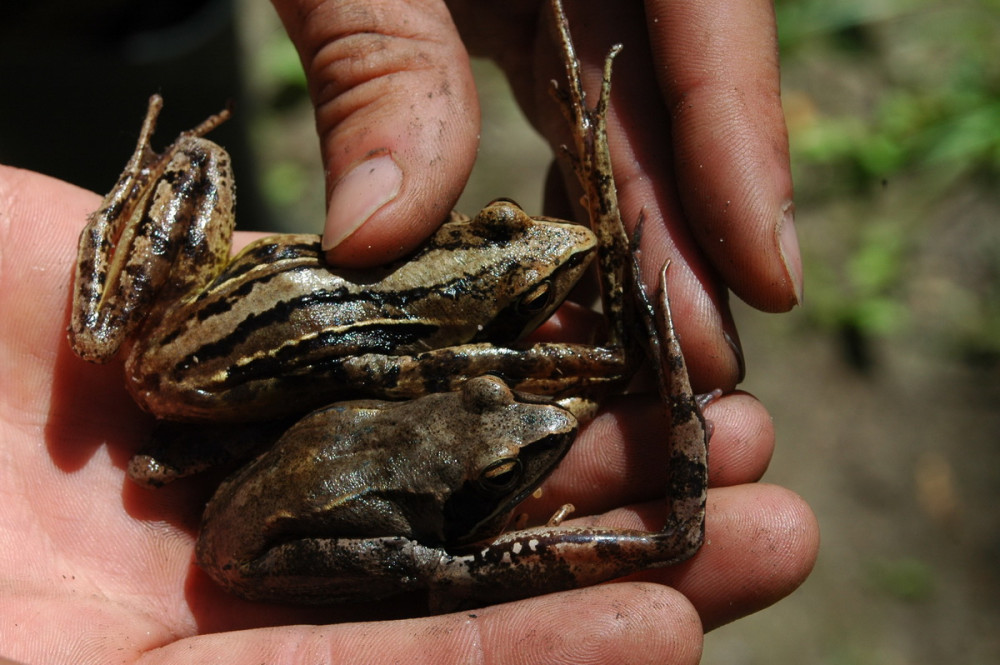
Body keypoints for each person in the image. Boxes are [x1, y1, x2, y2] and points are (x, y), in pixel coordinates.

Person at [0, 1, 817, 663]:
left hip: (197, 316)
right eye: (503, 228)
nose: (543, 239)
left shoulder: (430, 289)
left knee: (200, 162)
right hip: (221, 391)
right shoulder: (440, 363)